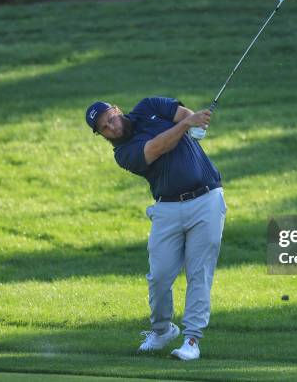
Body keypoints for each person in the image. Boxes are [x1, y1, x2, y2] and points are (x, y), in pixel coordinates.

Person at [85, 97, 226, 361]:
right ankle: (162, 330)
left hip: (207, 199)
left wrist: (195, 122)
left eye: (111, 118)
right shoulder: (123, 153)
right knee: (160, 276)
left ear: (117, 109)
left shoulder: (149, 106)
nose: (112, 127)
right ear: (101, 134)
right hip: (168, 209)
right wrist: (187, 124)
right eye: (104, 127)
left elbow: (185, 113)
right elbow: (158, 147)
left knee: (199, 273)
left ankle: (191, 341)